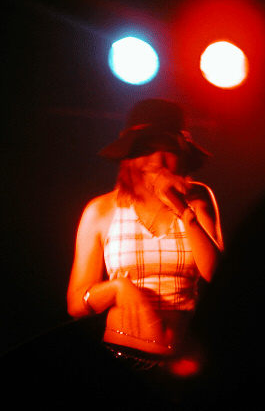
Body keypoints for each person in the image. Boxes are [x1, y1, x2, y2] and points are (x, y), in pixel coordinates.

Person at [67, 99, 223, 370]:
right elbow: (76, 304)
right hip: (120, 356)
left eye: (169, 149)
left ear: (183, 154)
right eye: (146, 149)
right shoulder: (100, 210)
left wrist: (181, 209)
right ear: (128, 157)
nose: (157, 160)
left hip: (183, 360)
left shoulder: (198, 198)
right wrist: (117, 288)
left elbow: (217, 275)